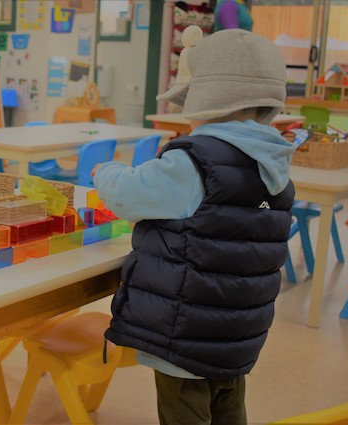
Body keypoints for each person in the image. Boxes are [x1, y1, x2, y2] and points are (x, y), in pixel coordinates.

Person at [93, 26, 295, 425]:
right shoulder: (277, 165)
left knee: (183, 410)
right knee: (228, 406)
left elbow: (125, 195)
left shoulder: (193, 162)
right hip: (237, 335)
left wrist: (107, 170)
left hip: (184, 336)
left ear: (206, 102)